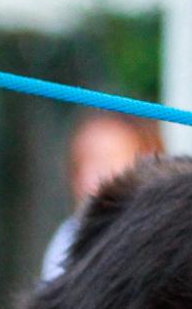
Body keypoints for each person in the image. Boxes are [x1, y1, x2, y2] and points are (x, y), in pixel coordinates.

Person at [41, 109, 164, 281]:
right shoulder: (66, 239)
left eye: (107, 162)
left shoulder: (164, 241)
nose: (91, 177)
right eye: (84, 163)